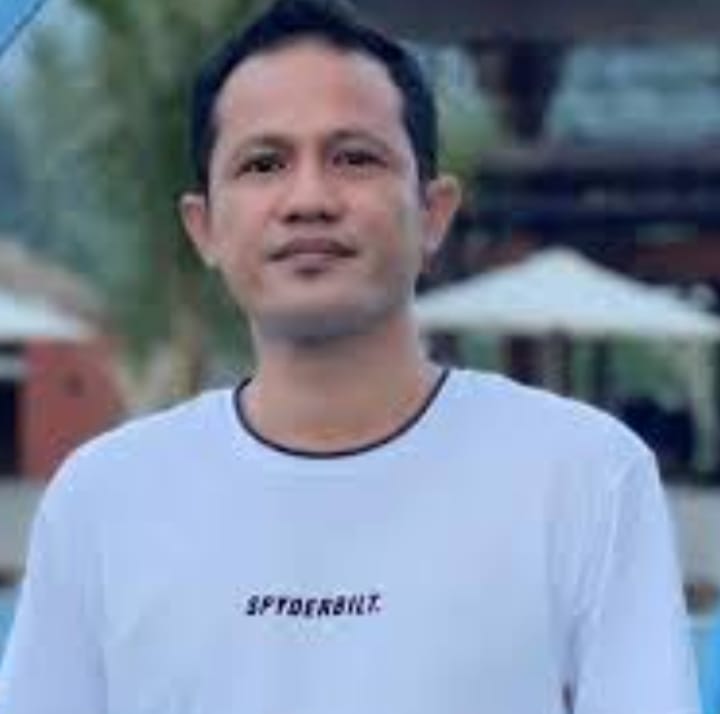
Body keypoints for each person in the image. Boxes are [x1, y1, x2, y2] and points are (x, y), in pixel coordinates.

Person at [0, 1, 700, 712]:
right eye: (264, 163)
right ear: (204, 226)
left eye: (355, 158)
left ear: (433, 212)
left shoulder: (585, 477)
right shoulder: (104, 502)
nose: (309, 199)